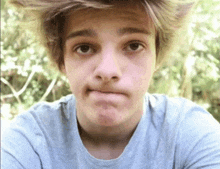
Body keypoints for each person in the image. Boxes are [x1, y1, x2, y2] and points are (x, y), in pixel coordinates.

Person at [2, 0, 220, 168]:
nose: (107, 71)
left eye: (133, 45)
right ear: (61, 60)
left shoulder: (191, 134)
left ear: (157, 56)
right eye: (85, 48)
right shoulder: (29, 141)